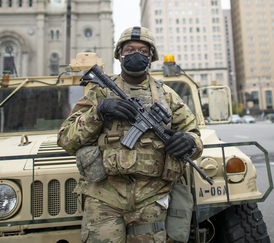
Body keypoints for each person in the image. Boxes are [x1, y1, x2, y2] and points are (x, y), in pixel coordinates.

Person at [58, 26, 203, 243]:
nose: (136, 54)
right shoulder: (99, 94)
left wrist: (189, 141)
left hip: (151, 197)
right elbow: (65, 139)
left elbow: (195, 137)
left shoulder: (167, 96)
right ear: (119, 55)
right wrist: (98, 112)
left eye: (143, 51)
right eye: (129, 49)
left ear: (151, 57)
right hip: (103, 197)